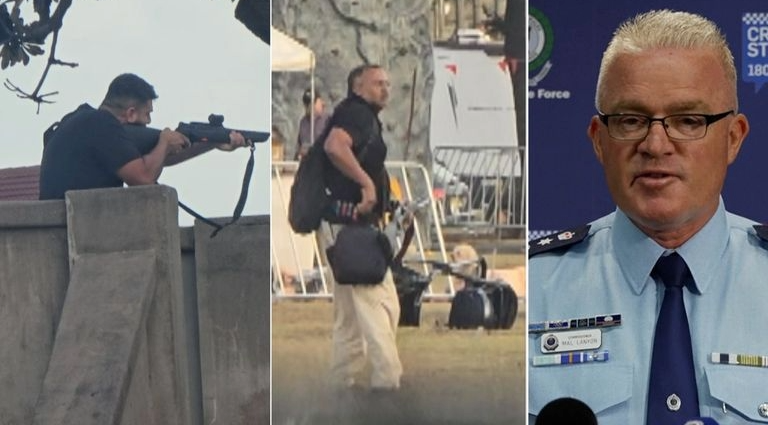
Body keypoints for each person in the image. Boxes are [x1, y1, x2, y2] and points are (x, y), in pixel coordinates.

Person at [528, 10, 767, 425]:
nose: (656, 144)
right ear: (599, 141)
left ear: (733, 138)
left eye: (688, 121)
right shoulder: (533, 290)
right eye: (631, 120)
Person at [316, 64, 402, 391]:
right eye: (378, 83)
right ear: (357, 86)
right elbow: (335, 146)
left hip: (341, 225)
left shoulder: (355, 115)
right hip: (350, 225)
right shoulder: (357, 115)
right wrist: (367, 184)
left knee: (350, 314)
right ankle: (387, 380)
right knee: (379, 304)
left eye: (388, 84)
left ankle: (342, 382)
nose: (385, 89)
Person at [39, 73, 245, 200]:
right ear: (130, 113)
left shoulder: (84, 121)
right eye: (147, 114)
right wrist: (164, 141)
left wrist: (211, 142)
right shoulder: (102, 124)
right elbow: (144, 179)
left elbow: (156, 159)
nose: (148, 123)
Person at [294, 88, 329, 160]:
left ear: (320, 101)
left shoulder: (329, 121)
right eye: (307, 104)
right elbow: (299, 146)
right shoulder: (303, 122)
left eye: (313, 103)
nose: (310, 107)